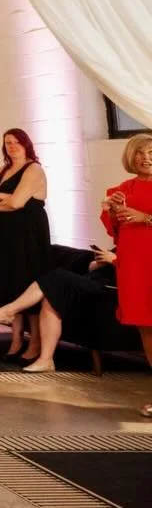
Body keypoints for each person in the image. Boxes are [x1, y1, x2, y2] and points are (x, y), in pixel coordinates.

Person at [0, 248, 118, 373]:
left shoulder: (136, 242)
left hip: (110, 288)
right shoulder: (121, 243)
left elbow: (135, 270)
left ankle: (8, 311)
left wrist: (115, 259)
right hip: (94, 279)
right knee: (51, 295)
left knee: (56, 278)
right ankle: (46, 360)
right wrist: (99, 263)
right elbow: (93, 267)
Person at [0, 128, 52, 362]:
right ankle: (16, 339)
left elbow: (19, 202)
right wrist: (5, 200)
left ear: (26, 144)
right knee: (9, 282)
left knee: (25, 280)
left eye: (16, 142)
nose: (12, 146)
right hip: (4, 232)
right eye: (7, 142)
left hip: (27, 233)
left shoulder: (34, 169)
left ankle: (36, 343)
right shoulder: (3, 169)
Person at [98, 133, 152, 414]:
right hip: (134, 265)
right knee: (147, 329)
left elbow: (143, 219)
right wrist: (113, 208)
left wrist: (147, 218)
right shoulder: (123, 188)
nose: (145, 158)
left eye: (151, 152)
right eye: (140, 153)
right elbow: (113, 230)